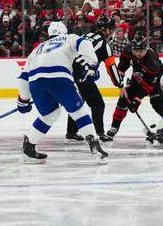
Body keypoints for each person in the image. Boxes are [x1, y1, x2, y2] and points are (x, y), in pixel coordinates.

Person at [15, 27, 107, 162]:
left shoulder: (37, 49)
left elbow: (23, 77)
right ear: (64, 32)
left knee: (49, 114)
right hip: (59, 77)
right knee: (78, 111)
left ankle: (28, 147)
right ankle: (95, 147)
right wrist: (92, 64)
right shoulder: (69, 37)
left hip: (35, 82)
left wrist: (23, 99)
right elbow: (85, 43)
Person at [104, 36, 163, 141]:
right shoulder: (128, 51)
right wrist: (120, 81)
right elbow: (123, 65)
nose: (138, 53)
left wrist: (136, 101)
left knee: (157, 103)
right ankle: (114, 127)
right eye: (136, 51)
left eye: (141, 51)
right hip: (137, 76)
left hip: (155, 79)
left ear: (146, 49)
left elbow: (148, 86)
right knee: (124, 98)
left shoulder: (152, 63)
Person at [66, 17, 118, 141]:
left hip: (69, 71)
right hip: (83, 74)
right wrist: (119, 83)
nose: (111, 32)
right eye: (110, 29)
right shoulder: (104, 44)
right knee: (98, 104)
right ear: (106, 30)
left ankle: (71, 132)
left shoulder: (85, 35)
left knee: (77, 102)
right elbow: (111, 67)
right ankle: (99, 133)